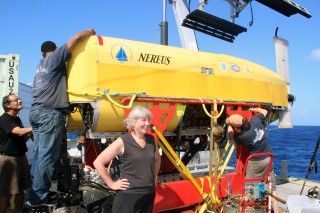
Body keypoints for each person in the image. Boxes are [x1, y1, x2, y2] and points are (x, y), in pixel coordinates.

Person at [27, 28, 96, 206]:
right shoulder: (54, 58)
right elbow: (76, 37)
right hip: (50, 113)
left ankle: (35, 193)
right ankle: (38, 198)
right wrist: (89, 32)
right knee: (47, 157)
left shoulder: (39, 66)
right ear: (54, 50)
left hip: (37, 112)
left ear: (42, 52)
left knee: (39, 156)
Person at [93, 106, 161, 213]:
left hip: (148, 192)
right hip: (129, 195)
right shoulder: (123, 141)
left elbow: (157, 159)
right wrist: (111, 184)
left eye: (149, 120)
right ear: (133, 123)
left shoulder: (151, 140)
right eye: (143, 120)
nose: (147, 123)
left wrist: (155, 176)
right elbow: (98, 162)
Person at [226, 107, 279, 213]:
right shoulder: (255, 120)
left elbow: (231, 135)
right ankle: (276, 209)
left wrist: (229, 125)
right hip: (268, 157)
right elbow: (264, 111)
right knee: (270, 185)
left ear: (238, 127)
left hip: (256, 162)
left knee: (250, 185)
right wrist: (253, 108)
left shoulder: (243, 136)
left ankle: (254, 207)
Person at [0, 93, 33, 213]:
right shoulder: (4, 119)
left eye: (19, 99)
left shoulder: (17, 119)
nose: (20, 101)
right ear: (8, 105)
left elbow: (22, 138)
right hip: (9, 160)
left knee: (21, 190)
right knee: (6, 193)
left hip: (21, 157)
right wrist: (36, 127)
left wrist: (30, 134)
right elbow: (18, 132)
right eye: (16, 100)